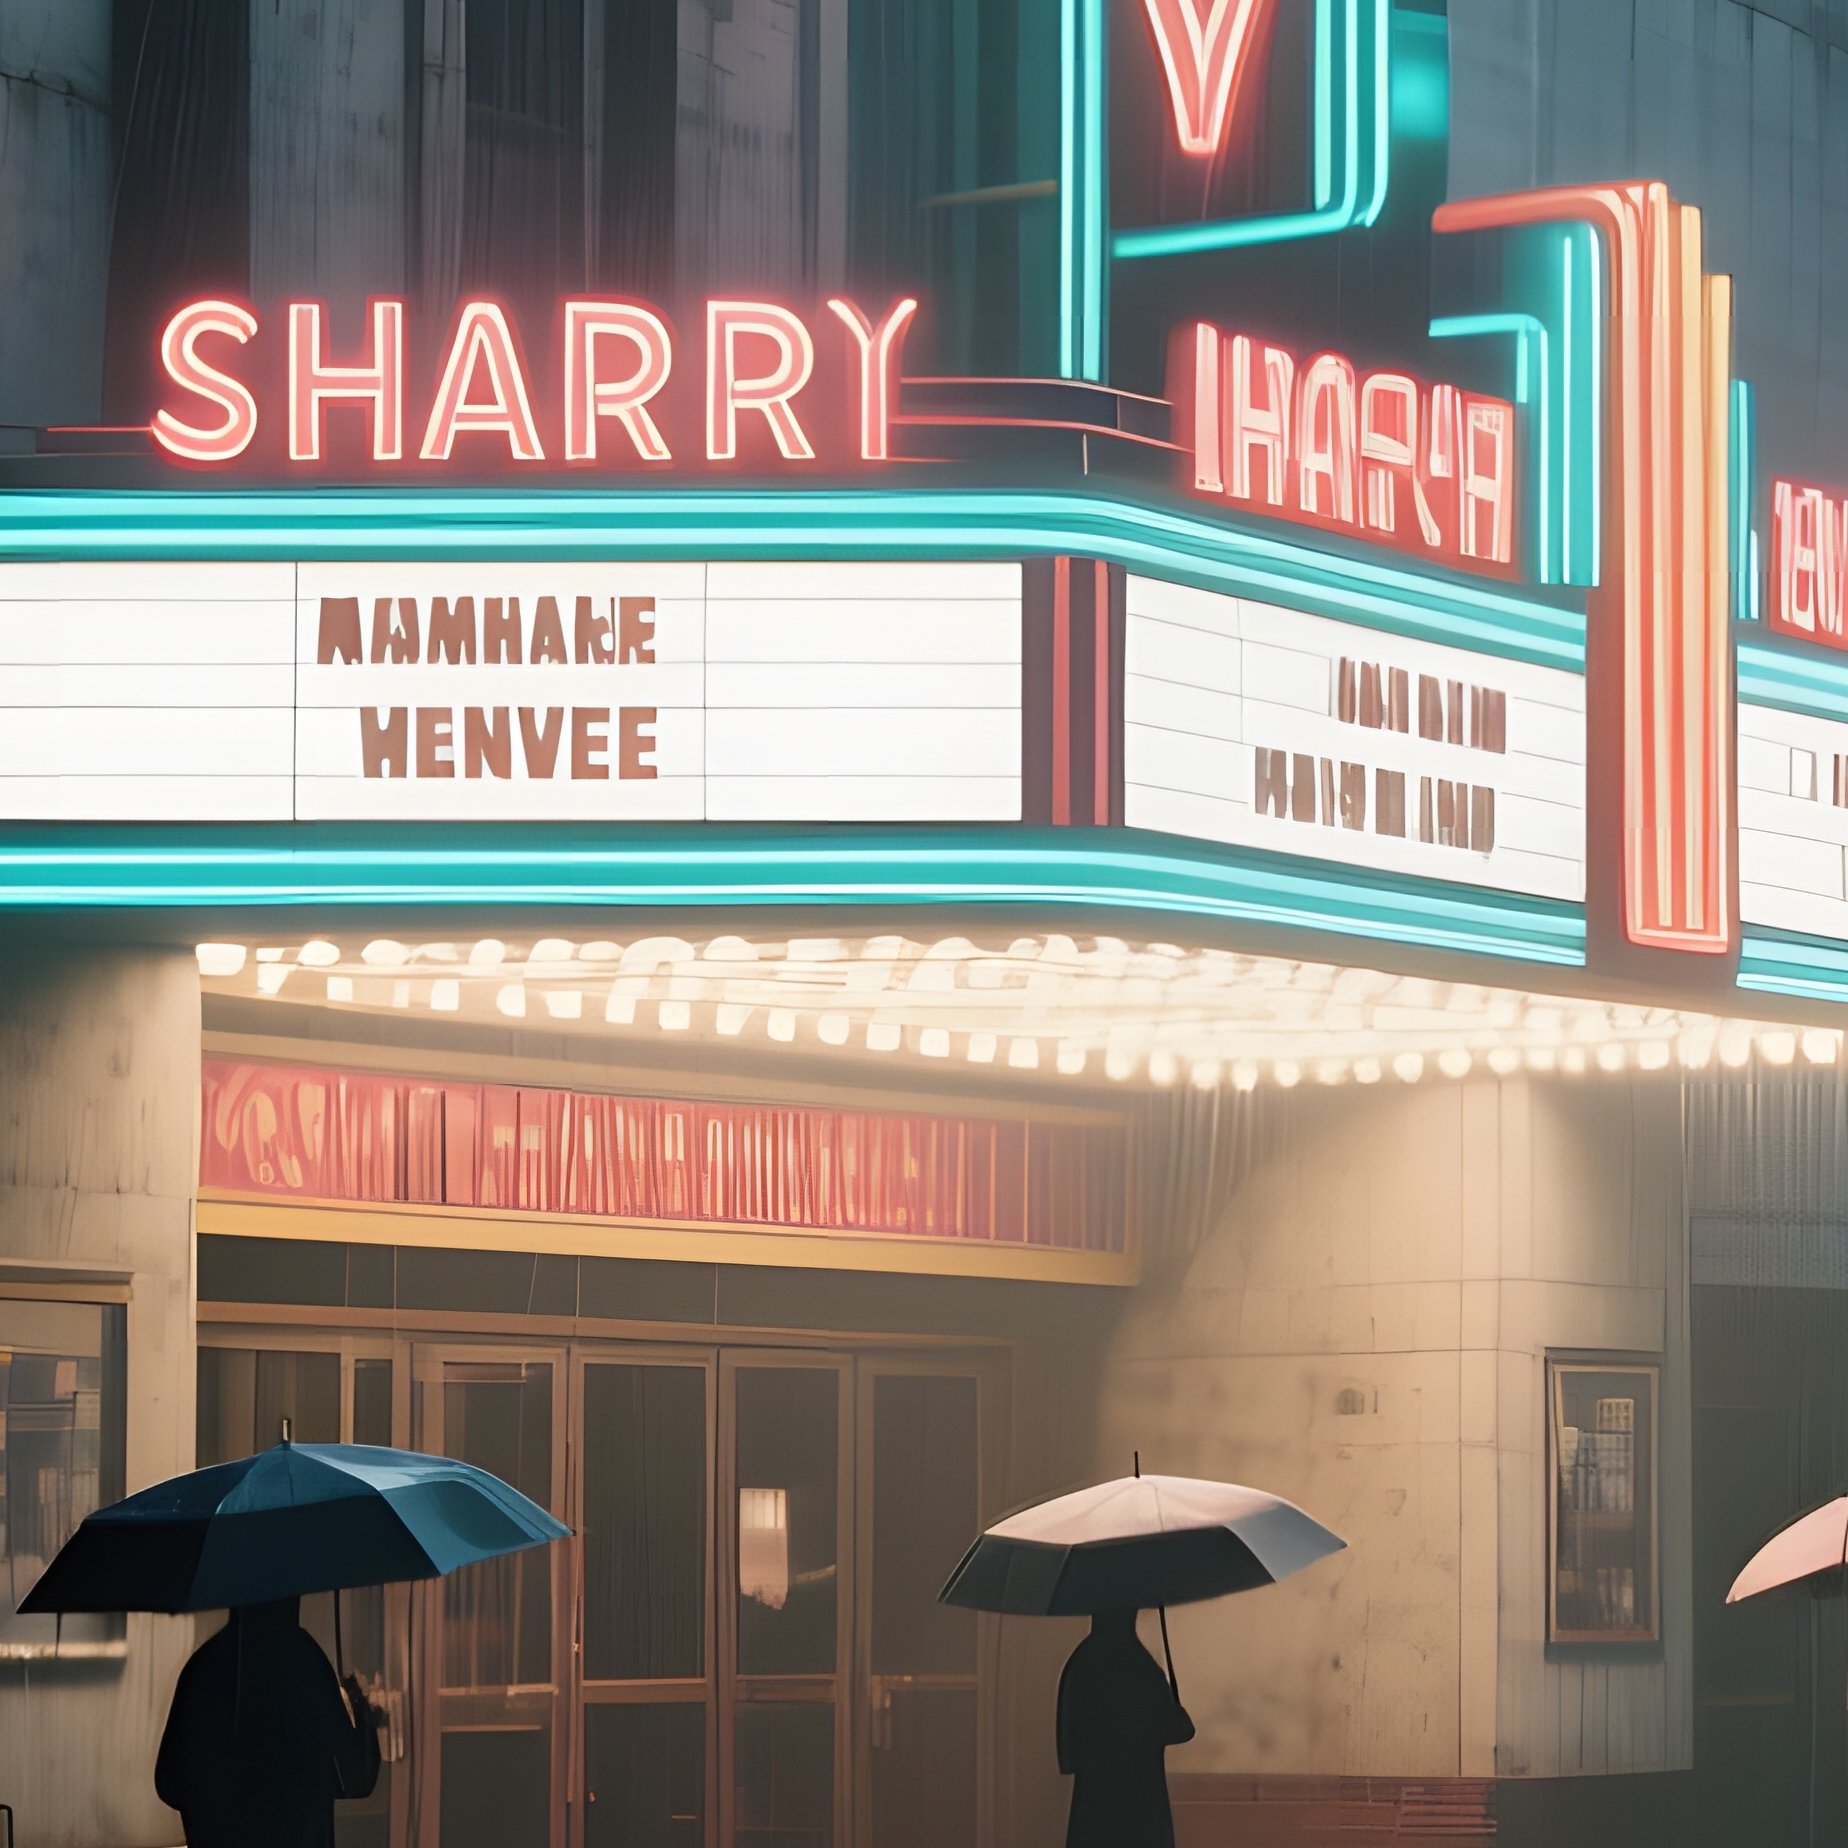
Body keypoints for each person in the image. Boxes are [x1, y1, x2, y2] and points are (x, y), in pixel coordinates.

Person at [155, 1596, 381, 1848]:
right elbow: (355, 1776)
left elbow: (170, 1784)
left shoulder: (205, 1664)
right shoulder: (305, 1662)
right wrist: (361, 1711)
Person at [1056, 1607, 1196, 1848]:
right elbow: (1173, 1729)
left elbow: (1068, 1752)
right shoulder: (1140, 1665)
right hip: (1140, 1797)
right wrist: (1177, 1715)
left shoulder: (1082, 1661)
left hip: (1094, 1799)